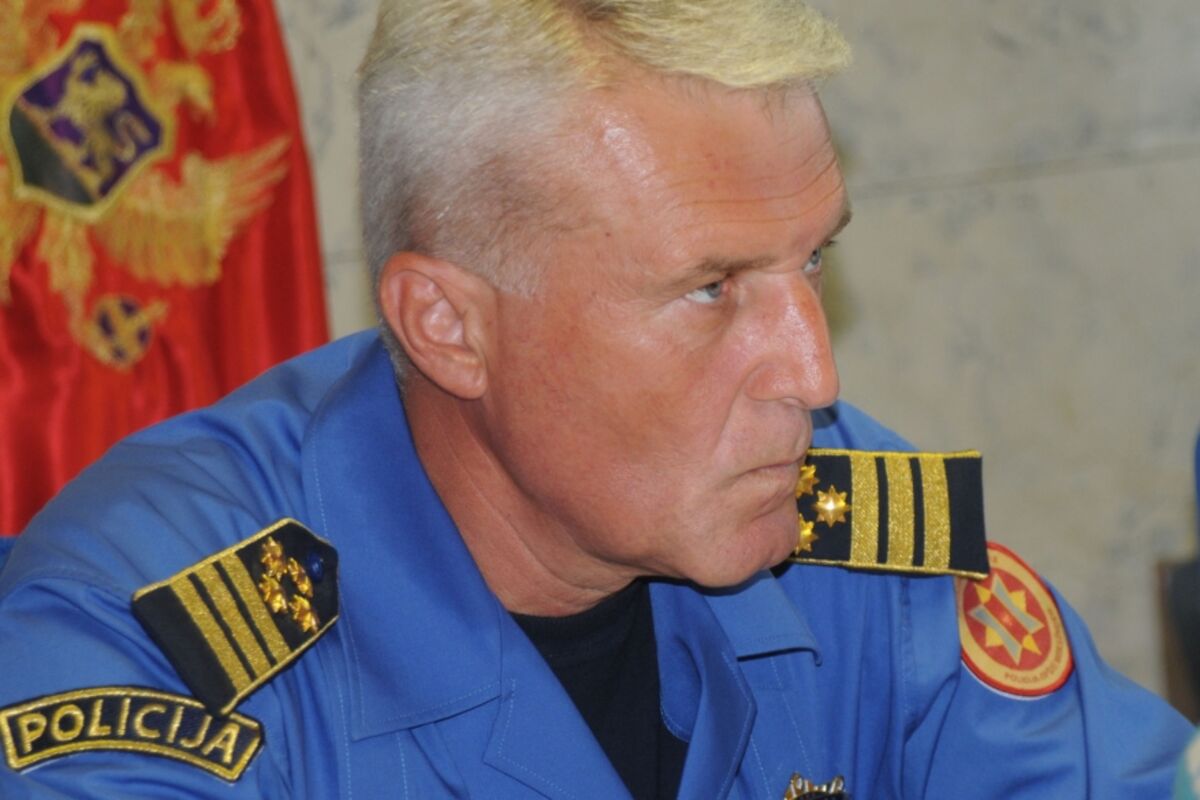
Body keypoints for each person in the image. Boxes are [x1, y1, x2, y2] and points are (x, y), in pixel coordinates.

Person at [0, 1, 1190, 797]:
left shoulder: (848, 544)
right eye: (712, 288)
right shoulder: (146, 640)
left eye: (812, 259)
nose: (814, 374)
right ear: (449, 326)